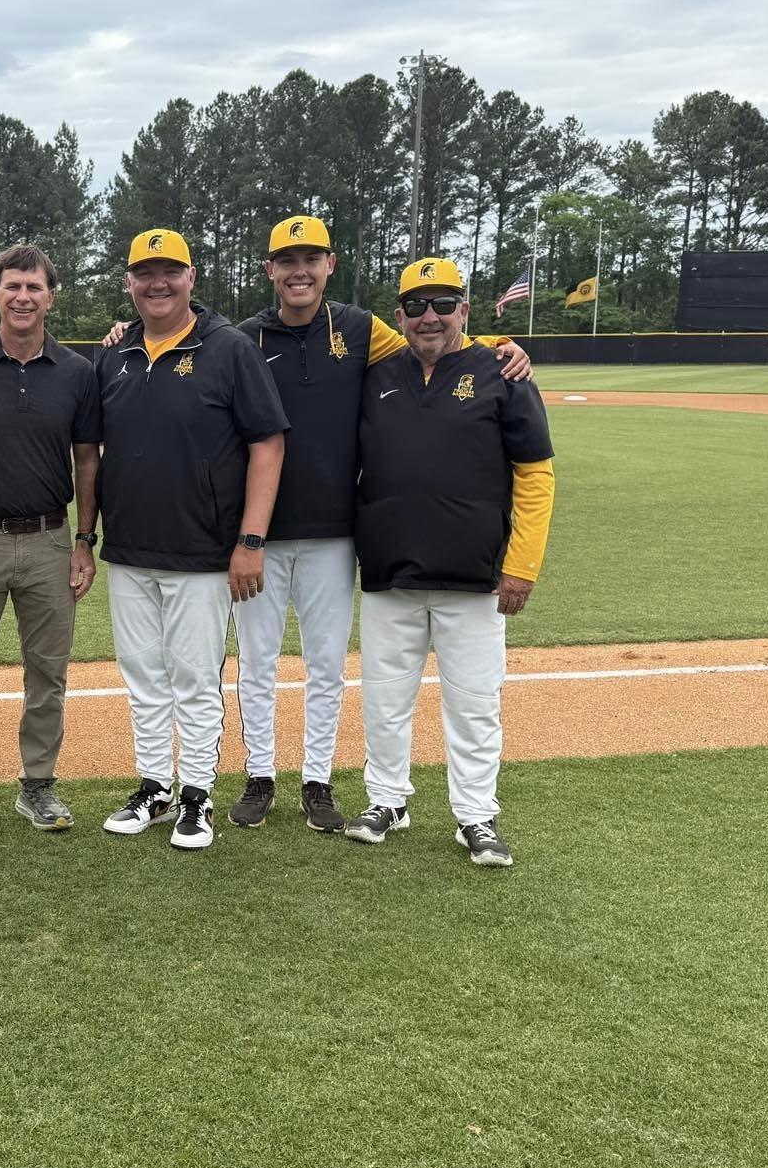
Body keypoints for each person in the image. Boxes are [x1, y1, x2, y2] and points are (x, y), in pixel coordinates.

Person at [218, 217, 530, 832]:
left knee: (326, 667)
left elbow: (438, 339)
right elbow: (192, 344)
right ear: (270, 270)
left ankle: (317, 780)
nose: (300, 271)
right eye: (287, 260)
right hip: (259, 534)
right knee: (255, 663)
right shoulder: (243, 337)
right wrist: (124, 331)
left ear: (330, 264)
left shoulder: (361, 329)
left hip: (335, 532)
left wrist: (501, 346)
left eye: (311, 259)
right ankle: (259, 775)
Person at [347, 257, 555, 867]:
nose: (429, 317)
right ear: (400, 315)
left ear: (464, 308)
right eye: (416, 306)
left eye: (443, 304)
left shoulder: (502, 372)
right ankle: (388, 800)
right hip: (390, 573)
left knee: (474, 703)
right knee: (384, 700)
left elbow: (535, 475)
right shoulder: (377, 374)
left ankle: (476, 816)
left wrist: (522, 565)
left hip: (475, 577)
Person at [96, 229, 287, 852]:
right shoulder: (116, 355)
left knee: (196, 677)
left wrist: (251, 540)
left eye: (170, 271)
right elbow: (92, 451)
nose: (158, 283)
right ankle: (155, 786)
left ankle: (196, 795)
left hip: (203, 550)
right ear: (129, 282)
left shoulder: (229, 348)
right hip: (129, 548)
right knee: (143, 675)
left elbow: (268, 444)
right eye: (145, 272)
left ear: (191, 277)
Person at [0, 242, 101, 834]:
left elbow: (87, 460)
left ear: (51, 297)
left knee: (47, 674)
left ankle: (38, 786)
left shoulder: (78, 373)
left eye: (34, 287)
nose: (23, 296)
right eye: (13, 286)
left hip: (51, 539)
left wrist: (85, 539)